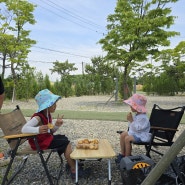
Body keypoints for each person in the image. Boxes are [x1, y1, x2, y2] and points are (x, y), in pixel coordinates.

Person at [21, 89, 89, 179]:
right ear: (46, 105)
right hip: (40, 143)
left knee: (64, 139)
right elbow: (24, 129)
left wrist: (56, 125)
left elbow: (50, 131)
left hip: (46, 140)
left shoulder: (47, 115)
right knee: (65, 143)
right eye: (53, 103)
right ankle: (74, 169)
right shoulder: (38, 117)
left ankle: (71, 163)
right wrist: (38, 129)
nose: (55, 106)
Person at [115, 94, 151, 163]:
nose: (130, 106)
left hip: (142, 135)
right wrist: (130, 120)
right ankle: (123, 154)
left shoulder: (143, 118)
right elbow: (132, 127)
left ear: (136, 107)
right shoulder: (138, 115)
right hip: (136, 133)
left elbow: (138, 128)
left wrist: (131, 120)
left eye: (132, 105)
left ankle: (127, 158)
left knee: (127, 139)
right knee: (123, 134)